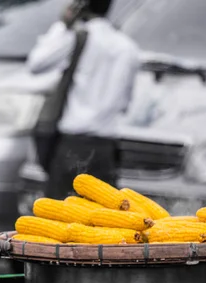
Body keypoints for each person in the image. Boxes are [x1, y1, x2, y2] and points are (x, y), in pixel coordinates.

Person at [27, 0, 140, 199]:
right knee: (104, 221)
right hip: (107, 148)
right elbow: (124, 104)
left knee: (59, 218)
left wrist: (63, 24)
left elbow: (37, 63)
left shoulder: (78, 37)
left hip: (72, 145)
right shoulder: (128, 47)